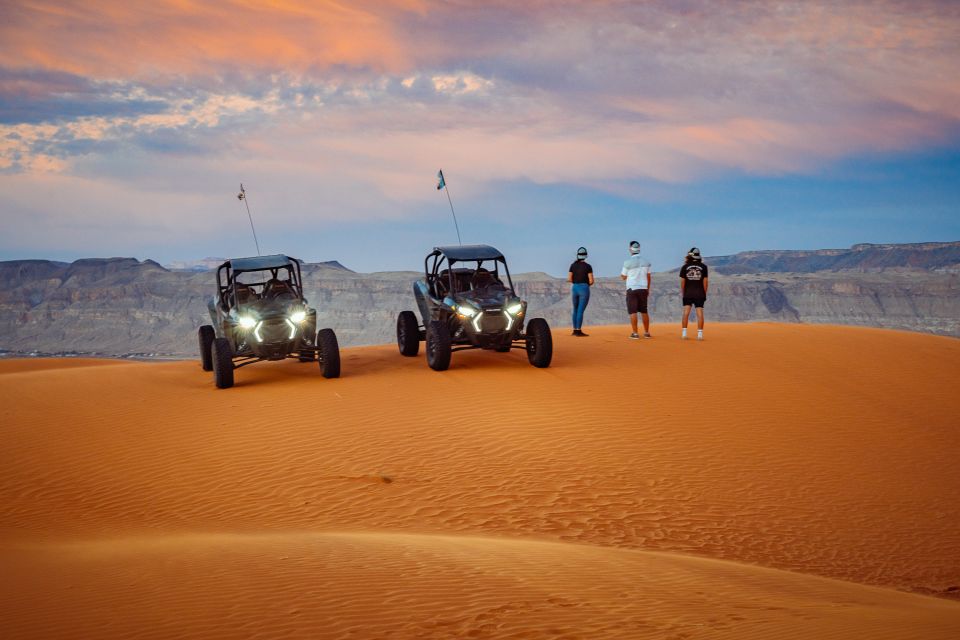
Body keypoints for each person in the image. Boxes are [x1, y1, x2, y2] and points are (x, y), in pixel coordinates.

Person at [620, 240, 652, 339]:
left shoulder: (627, 262)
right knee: (644, 311)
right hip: (643, 288)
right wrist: (647, 289)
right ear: (639, 248)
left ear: (630, 249)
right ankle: (646, 333)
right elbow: (648, 277)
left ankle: (635, 333)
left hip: (632, 288)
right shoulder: (646, 262)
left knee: (633, 311)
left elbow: (623, 276)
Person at [679, 247, 708, 340]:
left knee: (686, 313)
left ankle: (684, 334)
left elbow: (682, 282)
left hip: (688, 293)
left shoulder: (685, 267)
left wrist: (683, 293)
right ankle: (700, 335)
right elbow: (705, 282)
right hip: (699, 293)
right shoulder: (704, 267)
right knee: (700, 313)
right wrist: (704, 293)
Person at [567, 246, 594, 336]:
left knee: (575, 309)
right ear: (586, 256)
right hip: (584, 289)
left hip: (574, 288)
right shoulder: (588, 267)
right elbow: (591, 281)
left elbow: (569, 279)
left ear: (577, 255)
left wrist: (576, 282)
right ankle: (578, 331)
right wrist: (585, 284)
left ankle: (574, 330)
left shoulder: (572, 265)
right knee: (580, 310)